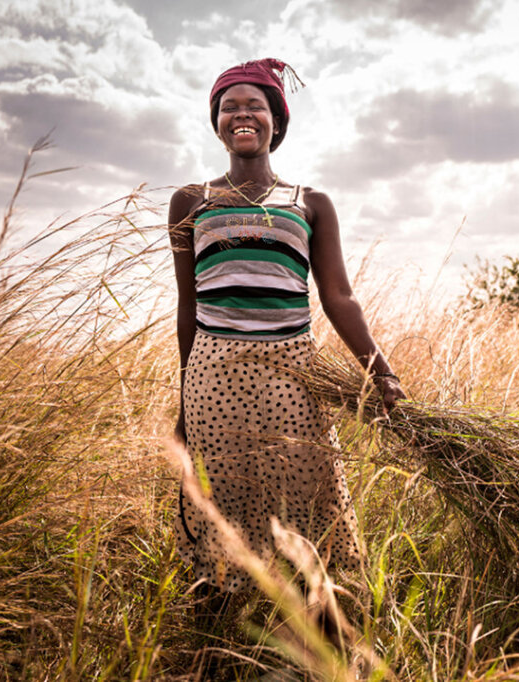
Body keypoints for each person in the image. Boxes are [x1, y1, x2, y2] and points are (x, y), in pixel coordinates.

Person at [168, 59, 405, 604]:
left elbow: (339, 297)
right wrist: (184, 399)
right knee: (222, 503)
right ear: (216, 121)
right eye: (229, 107)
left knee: (305, 498)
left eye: (255, 106)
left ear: (276, 119)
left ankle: (316, 623)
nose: (241, 115)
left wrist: (383, 373)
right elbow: (189, 306)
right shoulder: (191, 201)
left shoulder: (309, 203)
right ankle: (226, 628)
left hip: (294, 372)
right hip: (213, 374)